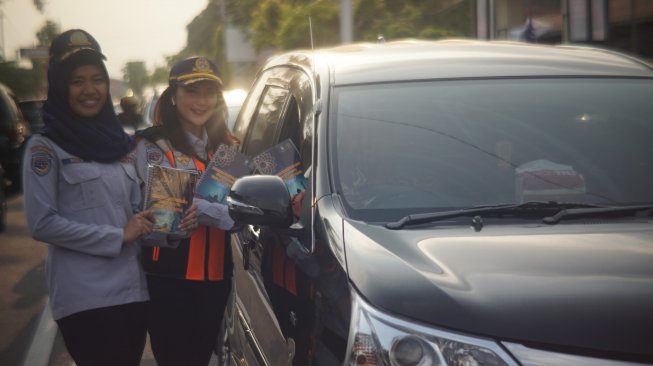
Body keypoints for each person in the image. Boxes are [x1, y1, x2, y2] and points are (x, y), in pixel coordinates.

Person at [21, 29, 167, 366]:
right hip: (86, 298)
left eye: (97, 79)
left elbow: (137, 210)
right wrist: (118, 235)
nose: (90, 90)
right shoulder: (45, 148)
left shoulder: (122, 143)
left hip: (133, 291)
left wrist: (167, 216)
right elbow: (42, 224)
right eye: (77, 81)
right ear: (59, 85)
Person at [131, 56, 237, 366]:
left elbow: (239, 214)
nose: (202, 101)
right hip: (167, 282)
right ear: (173, 96)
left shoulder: (228, 150)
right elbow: (140, 211)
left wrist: (204, 211)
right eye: (192, 91)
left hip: (216, 279)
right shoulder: (151, 146)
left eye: (209, 92)